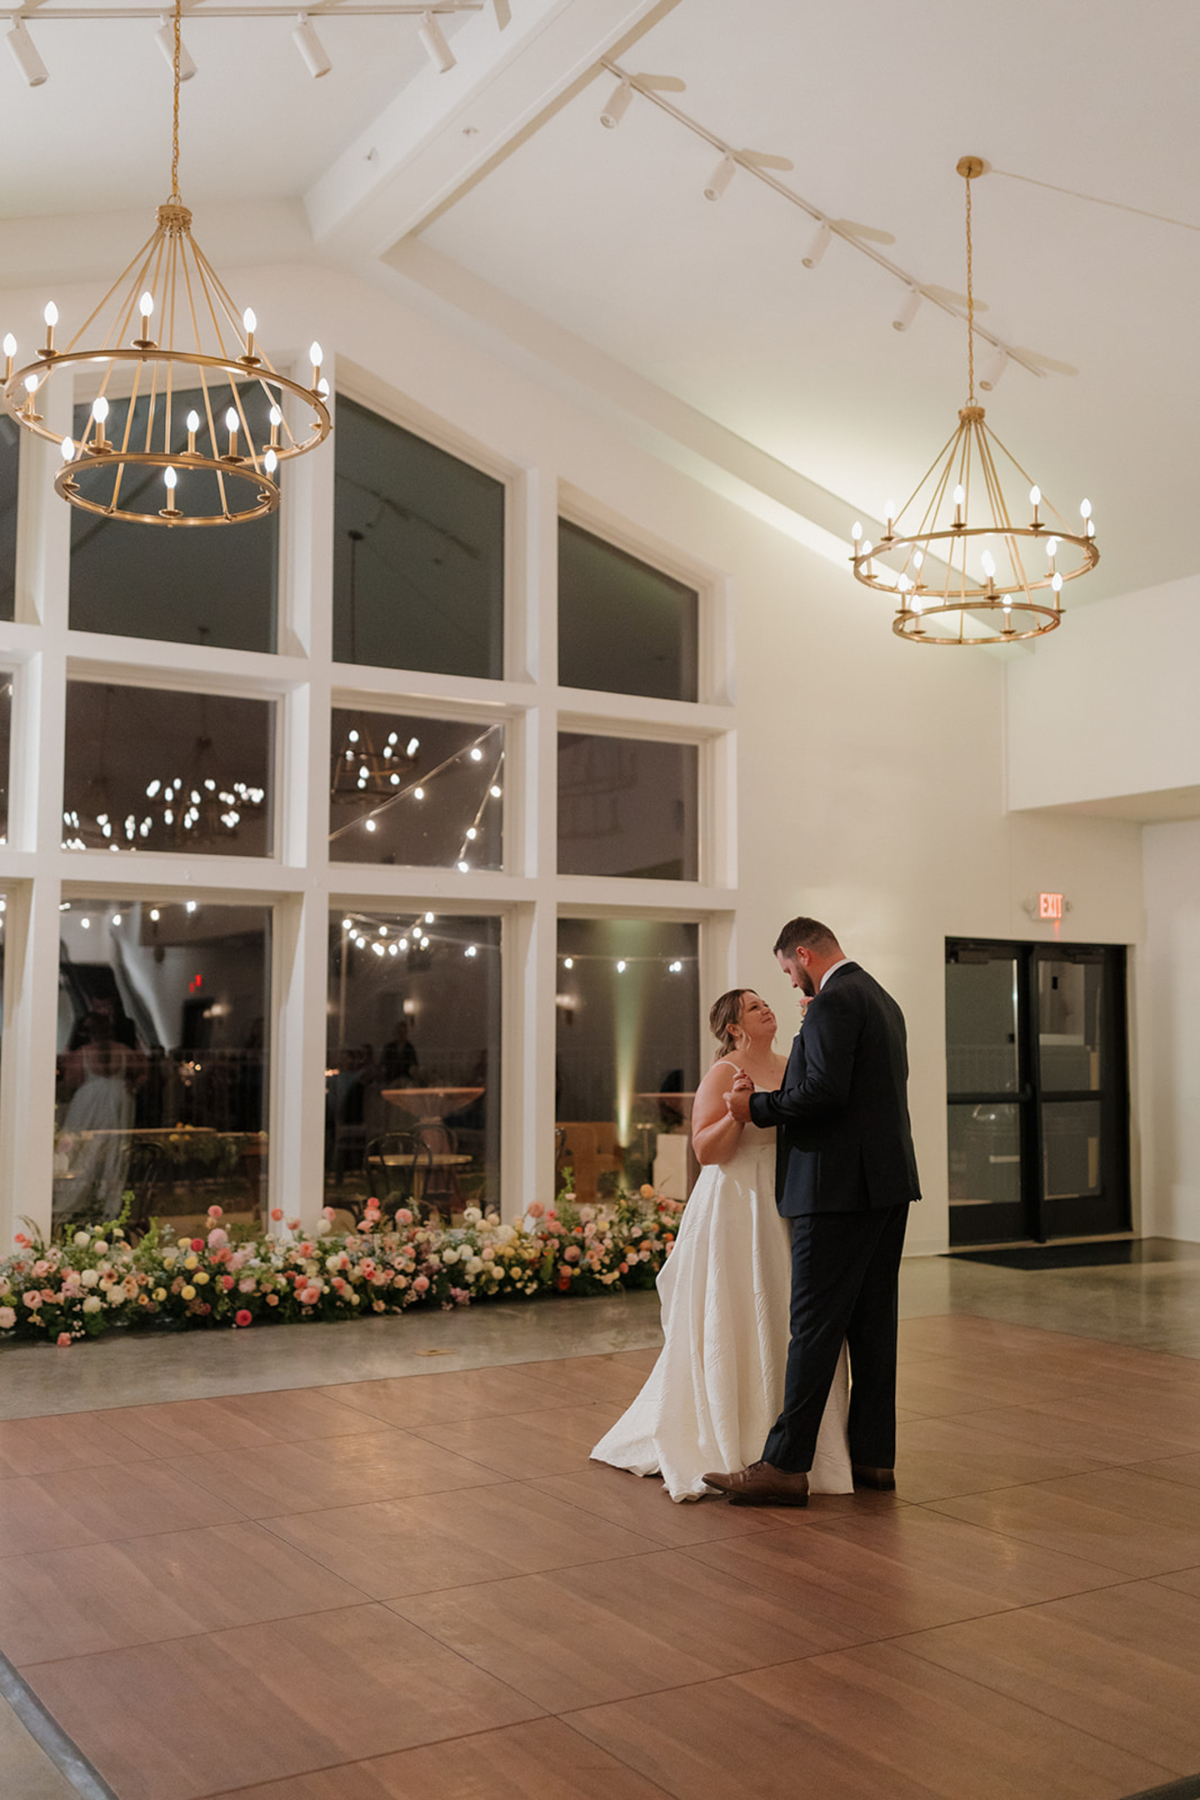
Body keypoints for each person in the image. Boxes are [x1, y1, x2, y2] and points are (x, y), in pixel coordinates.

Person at [591, 987, 852, 1502]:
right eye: (754, 1007)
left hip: (787, 1198)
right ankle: (736, 1434)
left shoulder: (791, 1064)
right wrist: (739, 1112)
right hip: (737, 1202)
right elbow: (706, 1152)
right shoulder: (723, 1072)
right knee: (737, 1310)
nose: (766, 1009)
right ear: (734, 1028)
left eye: (764, 1003)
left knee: (787, 1311)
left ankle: (791, 1441)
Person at [704, 917, 920, 1508]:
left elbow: (824, 1093)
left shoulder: (832, 1003)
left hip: (835, 1191)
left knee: (815, 1328)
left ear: (802, 954)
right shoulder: (881, 999)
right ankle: (873, 1458)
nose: (791, 983)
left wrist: (755, 1108)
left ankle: (784, 1465)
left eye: (788, 970)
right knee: (873, 1327)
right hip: (886, 1186)